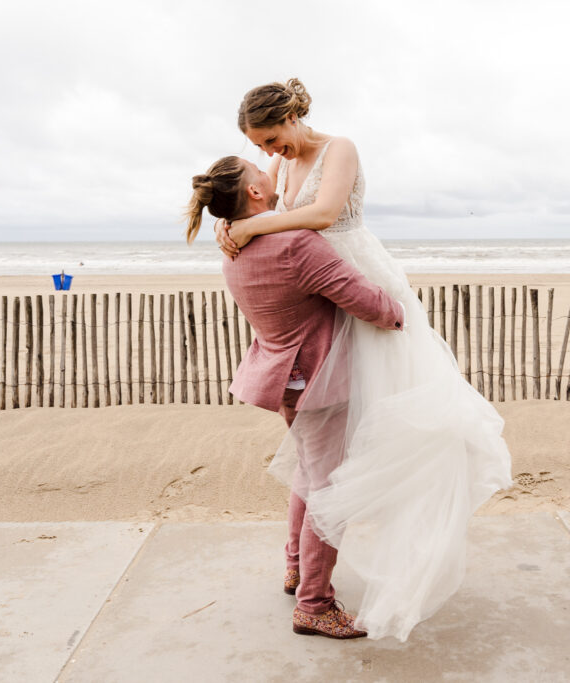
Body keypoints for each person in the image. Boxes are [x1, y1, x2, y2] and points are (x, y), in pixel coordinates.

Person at [214, 78, 512, 642]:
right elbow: (276, 209)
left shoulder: (339, 148)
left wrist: (247, 224)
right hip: (321, 288)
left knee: (344, 438)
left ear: (294, 118)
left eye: (272, 139)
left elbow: (324, 214)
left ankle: (307, 566)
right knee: (321, 454)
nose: (268, 154)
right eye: (260, 146)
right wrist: (235, 222)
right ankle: (305, 576)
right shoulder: (278, 169)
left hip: (353, 274)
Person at [187, 156, 407, 639]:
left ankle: (295, 567)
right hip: (322, 383)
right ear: (256, 195)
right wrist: (400, 314)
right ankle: (314, 604)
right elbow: (363, 299)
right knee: (329, 489)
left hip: (283, 380)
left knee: (309, 475)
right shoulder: (295, 245)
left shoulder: (234, 247)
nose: (271, 171)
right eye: (258, 171)